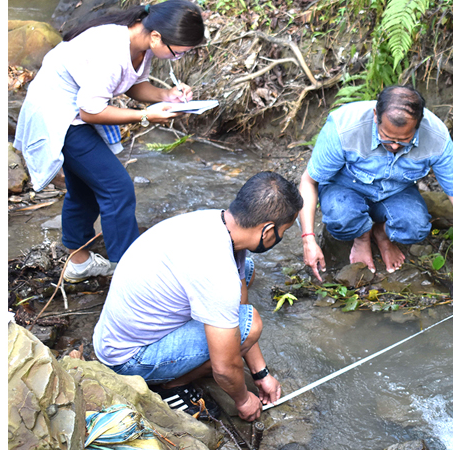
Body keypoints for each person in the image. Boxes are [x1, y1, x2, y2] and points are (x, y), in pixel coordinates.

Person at [14, 0, 206, 283]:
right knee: (118, 189)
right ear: (156, 37)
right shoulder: (111, 50)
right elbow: (90, 111)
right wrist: (144, 117)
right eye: (178, 53)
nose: (177, 58)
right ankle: (128, 275)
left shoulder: (141, 43)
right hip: (57, 115)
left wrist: (167, 96)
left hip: (76, 109)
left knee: (85, 190)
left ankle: (78, 263)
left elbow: (131, 83)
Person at [92, 171, 303, 422]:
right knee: (251, 323)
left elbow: (239, 303)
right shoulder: (216, 270)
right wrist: (243, 400)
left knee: (247, 273)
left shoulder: (218, 223)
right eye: (284, 231)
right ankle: (171, 386)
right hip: (127, 359)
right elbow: (225, 367)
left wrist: (260, 373)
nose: (281, 237)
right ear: (268, 231)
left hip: (114, 335)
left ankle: (177, 369)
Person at [299, 85, 453, 295]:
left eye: (403, 140)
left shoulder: (436, 138)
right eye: (387, 137)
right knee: (340, 217)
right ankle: (361, 238)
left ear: (419, 124)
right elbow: (308, 182)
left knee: (416, 228)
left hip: (394, 192)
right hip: (346, 187)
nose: (394, 146)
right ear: (376, 115)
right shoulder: (344, 127)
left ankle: (381, 234)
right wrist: (308, 239)